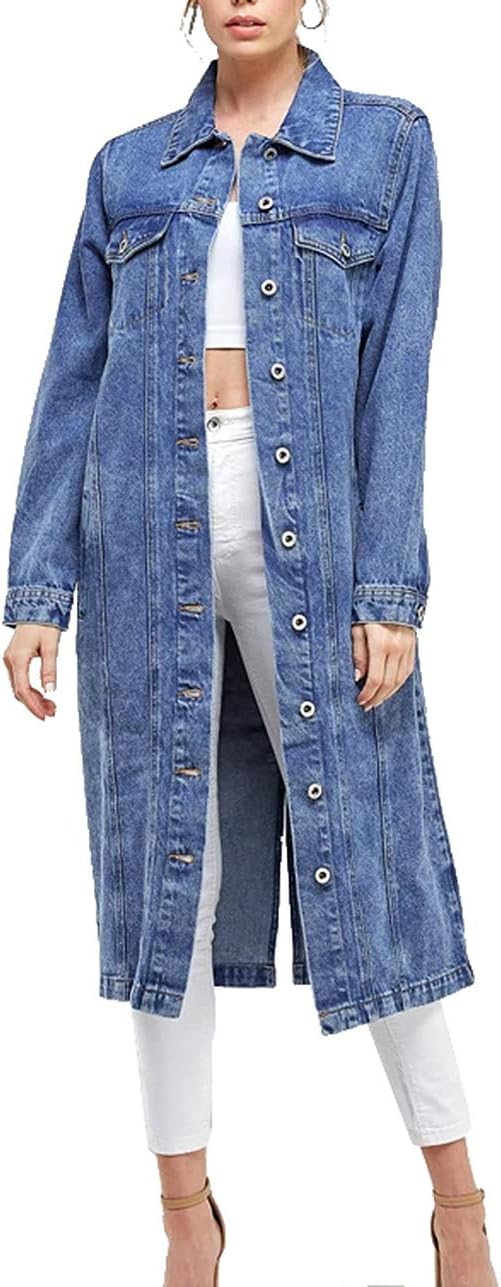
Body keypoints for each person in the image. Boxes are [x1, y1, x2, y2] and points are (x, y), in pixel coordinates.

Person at [2, 2, 497, 1285]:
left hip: (315, 544)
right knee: (166, 887)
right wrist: (35, 587)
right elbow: (72, 374)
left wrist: (389, 586)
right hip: (138, 538)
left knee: (374, 862)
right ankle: (186, 1220)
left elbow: (400, 374)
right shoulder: (127, 167)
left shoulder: (386, 144)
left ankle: (458, 1206)